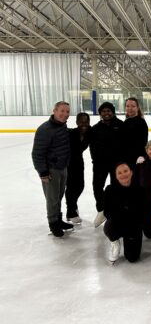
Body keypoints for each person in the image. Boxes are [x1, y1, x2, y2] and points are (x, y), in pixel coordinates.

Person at [32, 101, 73, 237]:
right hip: (51, 170)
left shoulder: (62, 126)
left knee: (59, 197)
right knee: (52, 199)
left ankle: (58, 220)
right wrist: (43, 171)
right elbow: (37, 153)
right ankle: (53, 224)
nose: (65, 114)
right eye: (62, 111)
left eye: (67, 111)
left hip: (62, 168)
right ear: (54, 111)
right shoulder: (45, 129)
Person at [89, 102, 124, 228]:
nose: (106, 113)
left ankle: (115, 211)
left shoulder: (120, 125)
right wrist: (95, 160)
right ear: (100, 113)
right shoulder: (95, 128)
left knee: (116, 187)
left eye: (109, 110)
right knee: (97, 186)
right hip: (100, 164)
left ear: (113, 112)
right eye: (103, 111)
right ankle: (101, 209)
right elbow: (92, 147)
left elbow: (125, 145)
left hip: (117, 164)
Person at [103, 162, 145, 263]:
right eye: (120, 173)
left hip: (134, 226)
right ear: (116, 176)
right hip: (119, 223)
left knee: (132, 258)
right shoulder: (110, 190)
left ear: (131, 173)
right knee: (109, 227)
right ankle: (115, 243)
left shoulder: (140, 189)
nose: (123, 174)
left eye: (125, 171)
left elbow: (143, 212)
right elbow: (107, 212)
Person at [65, 112, 91, 224]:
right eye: (81, 121)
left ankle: (73, 206)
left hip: (79, 162)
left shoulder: (90, 132)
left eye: (86, 121)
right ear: (77, 122)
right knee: (71, 187)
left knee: (80, 186)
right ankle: (70, 212)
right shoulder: (70, 133)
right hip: (68, 163)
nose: (83, 124)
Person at [122, 97, 148, 167]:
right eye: (127, 106)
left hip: (137, 159)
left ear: (137, 108)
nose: (130, 108)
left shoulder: (141, 122)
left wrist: (141, 156)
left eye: (133, 106)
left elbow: (143, 142)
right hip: (126, 158)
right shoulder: (126, 122)